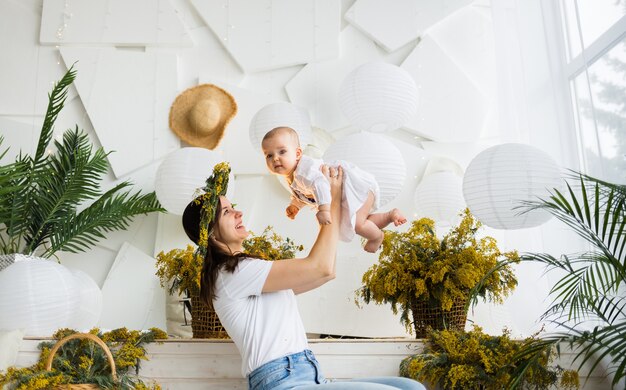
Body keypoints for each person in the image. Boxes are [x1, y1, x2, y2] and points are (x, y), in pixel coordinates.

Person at [182, 162, 425, 390]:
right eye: (227, 212)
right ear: (212, 234)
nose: (239, 213)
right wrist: (330, 199)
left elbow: (326, 271)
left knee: (409, 386)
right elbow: (320, 267)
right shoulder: (232, 272)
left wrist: (334, 202)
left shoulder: (249, 271)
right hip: (282, 379)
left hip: (305, 373)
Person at [260, 126, 406, 253]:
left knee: (358, 224)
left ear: (298, 154)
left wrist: (324, 210)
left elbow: (320, 184)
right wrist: (296, 205)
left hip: (354, 186)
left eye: (282, 152)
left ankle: (377, 237)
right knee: (359, 222)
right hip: (345, 193)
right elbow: (304, 194)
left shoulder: (304, 170)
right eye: (269, 155)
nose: (275, 158)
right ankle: (389, 216)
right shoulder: (292, 176)